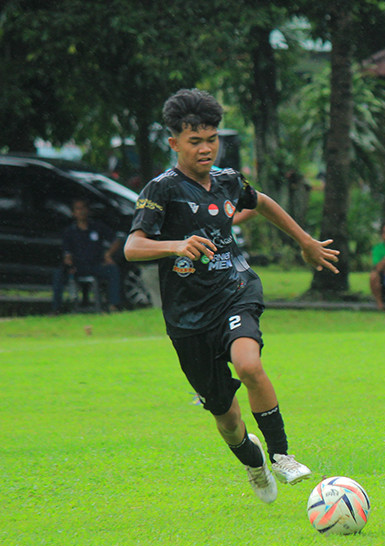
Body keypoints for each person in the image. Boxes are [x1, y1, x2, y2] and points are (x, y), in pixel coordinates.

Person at [125, 88, 340, 502]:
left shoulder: (226, 181)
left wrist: (306, 241)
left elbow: (261, 202)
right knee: (226, 418)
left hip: (235, 288)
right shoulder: (162, 189)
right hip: (187, 317)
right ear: (174, 143)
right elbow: (132, 247)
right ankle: (253, 461)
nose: (206, 149)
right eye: (195, 142)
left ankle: (281, 455)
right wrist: (174, 244)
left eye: (211, 139)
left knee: (249, 364)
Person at [52, 199, 123, 313]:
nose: (81, 212)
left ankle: (114, 305)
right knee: (59, 273)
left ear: (88, 210)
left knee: (113, 270)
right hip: (78, 267)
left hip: (96, 265)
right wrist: (69, 263)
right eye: (78, 209)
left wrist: (108, 254)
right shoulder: (69, 232)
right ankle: (56, 308)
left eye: (83, 208)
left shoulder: (97, 227)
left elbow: (117, 240)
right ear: (73, 213)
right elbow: (67, 253)